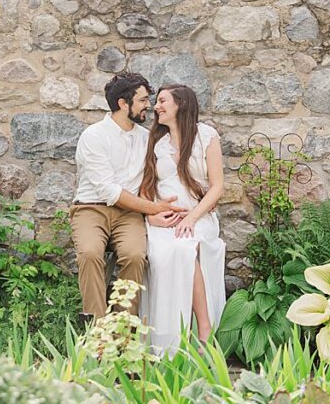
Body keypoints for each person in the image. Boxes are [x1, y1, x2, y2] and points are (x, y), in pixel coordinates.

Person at [71, 72, 186, 320]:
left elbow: (150, 179)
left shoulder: (146, 138)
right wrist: (153, 209)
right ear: (124, 104)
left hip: (129, 214)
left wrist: (151, 208)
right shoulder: (94, 136)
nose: (149, 106)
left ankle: (123, 332)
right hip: (91, 209)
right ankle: (97, 331)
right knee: (90, 253)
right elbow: (108, 191)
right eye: (143, 100)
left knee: (135, 256)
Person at [139, 84, 226, 355]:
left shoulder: (206, 136)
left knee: (186, 247)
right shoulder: (156, 143)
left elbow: (217, 187)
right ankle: (169, 338)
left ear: (181, 104)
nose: (156, 106)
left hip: (199, 218)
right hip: (165, 221)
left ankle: (204, 330)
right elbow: (145, 187)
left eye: (163, 101)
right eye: (155, 102)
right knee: (169, 250)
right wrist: (151, 215)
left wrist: (192, 217)